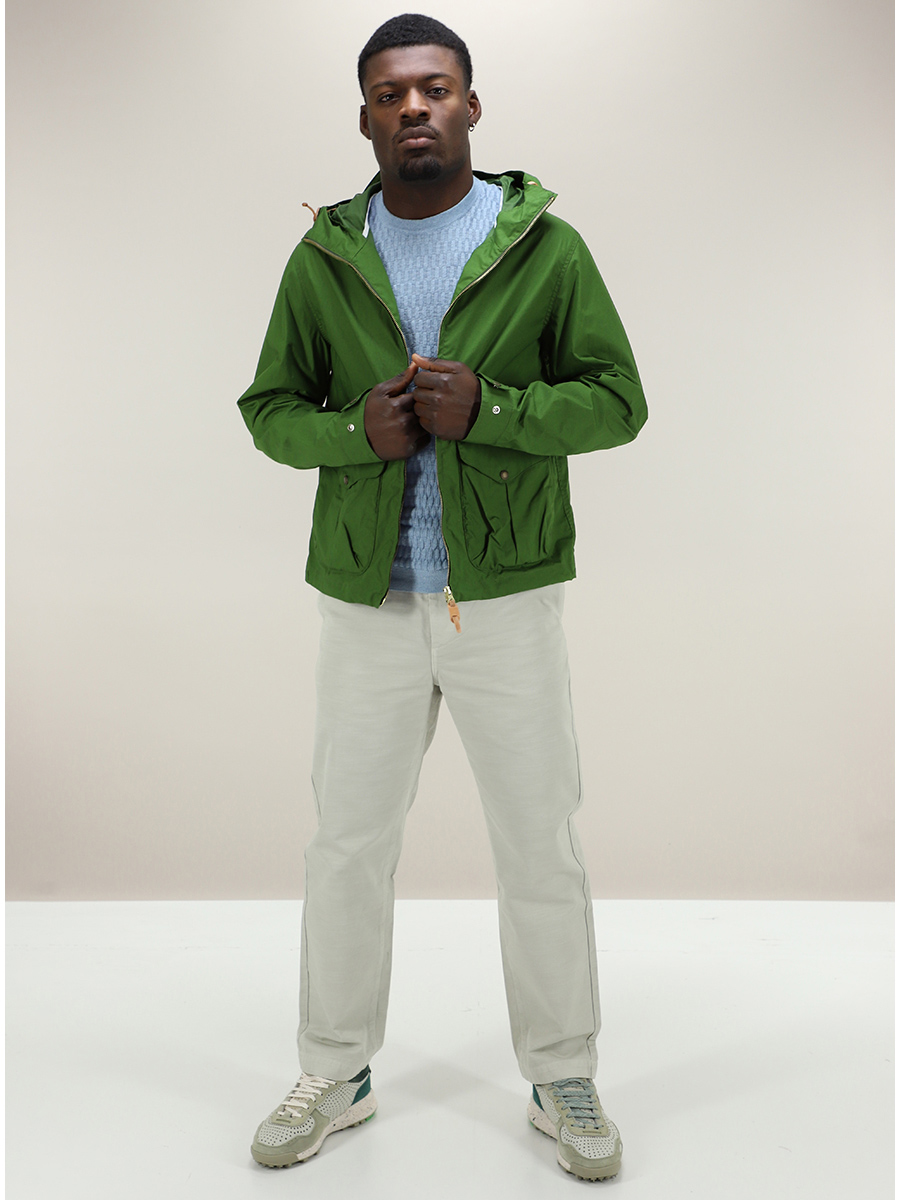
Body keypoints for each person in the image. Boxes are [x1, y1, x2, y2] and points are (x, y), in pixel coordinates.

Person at [238, 12, 647, 1183]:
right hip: (367, 599)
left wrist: (498, 412)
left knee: (539, 842)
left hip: (503, 596)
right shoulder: (324, 256)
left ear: (471, 105)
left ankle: (562, 1074)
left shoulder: (546, 251)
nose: (412, 107)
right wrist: (352, 435)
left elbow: (619, 401)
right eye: (389, 93)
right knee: (346, 843)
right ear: (365, 118)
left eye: (433, 88)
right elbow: (269, 410)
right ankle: (336, 1070)